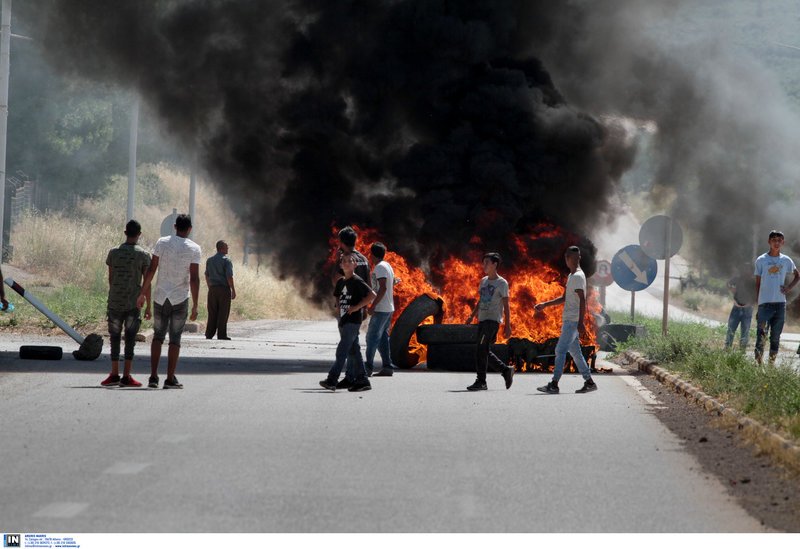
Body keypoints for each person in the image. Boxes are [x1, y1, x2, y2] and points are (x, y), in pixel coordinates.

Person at [137, 214, 202, 389]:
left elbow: (151, 270)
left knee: (157, 336)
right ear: (189, 229)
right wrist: (196, 304)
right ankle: (170, 378)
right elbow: (194, 279)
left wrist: (142, 293)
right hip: (180, 298)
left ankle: (153, 377)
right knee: (175, 339)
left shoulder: (162, 242)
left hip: (160, 297)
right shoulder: (194, 248)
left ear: (174, 226)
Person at [536, 246, 597, 394]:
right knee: (575, 353)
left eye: (577, 259)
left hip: (572, 322)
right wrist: (545, 304)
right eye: (574, 258)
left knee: (560, 350)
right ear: (568, 258)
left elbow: (583, 300)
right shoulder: (572, 276)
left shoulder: (577, 277)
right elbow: (564, 298)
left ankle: (554, 384)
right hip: (570, 321)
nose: (575, 261)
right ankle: (589, 382)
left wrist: (581, 322)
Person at [100, 220, 152, 387]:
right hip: (133, 303)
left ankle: (114, 373)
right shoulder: (143, 255)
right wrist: (148, 304)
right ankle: (127, 376)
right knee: (130, 338)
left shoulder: (113, 253)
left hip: (115, 301)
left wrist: (116, 292)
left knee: (114, 338)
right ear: (139, 234)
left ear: (125, 233)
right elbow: (147, 283)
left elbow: (110, 277)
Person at [319, 252, 376, 392]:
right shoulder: (341, 282)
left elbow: (372, 295)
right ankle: (362, 380)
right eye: (343, 261)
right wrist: (338, 307)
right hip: (344, 320)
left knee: (342, 350)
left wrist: (356, 307)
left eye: (350, 261)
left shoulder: (357, 281)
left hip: (353, 321)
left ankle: (332, 380)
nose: (346, 263)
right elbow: (337, 296)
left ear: (355, 264)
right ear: (340, 265)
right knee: (354, 351)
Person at [464, 252, 515, 391]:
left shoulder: (502, 283)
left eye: (487, 262)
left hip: (492, 321)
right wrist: (472, 316)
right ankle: (505, 370)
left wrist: (507, 325)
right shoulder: (484, 281)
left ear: (495, 264)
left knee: (481, 349)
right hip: (482, 319)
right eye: (483, 262)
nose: (484, 265)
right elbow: (481, 300)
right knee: (483, 349)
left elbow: (506, 305)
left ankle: (481, 381)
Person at [753, 230, 799, 364]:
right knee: (761, 336)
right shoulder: (761, 260)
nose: (776, 242)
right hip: (765, 305)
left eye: (779, 240)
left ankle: (771, 366)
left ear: (782, 243)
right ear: (769, 242)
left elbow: (797, 275)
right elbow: (758, 284)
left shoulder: (786, 260)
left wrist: (788, 288)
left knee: (775, 337)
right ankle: (758, 366)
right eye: (774, 240)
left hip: (780, 305)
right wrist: (758, 304)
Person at [365, 242, 396, 377]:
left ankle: (367, 367)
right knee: (383, 337)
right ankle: (387, 366)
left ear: (372, 254)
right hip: (388, 308)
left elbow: (382, 288)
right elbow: (390, 283)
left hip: (382, 309)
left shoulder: (380, 268)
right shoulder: (387, 266)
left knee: (371, 338)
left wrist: (373, 306)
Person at [205, 240, 236, 340]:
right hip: (224, 289)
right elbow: (229, 276)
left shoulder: (210, 260)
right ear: (221, 248)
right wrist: (233, 289)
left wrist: (210, 286)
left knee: (212, 312)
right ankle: (221, 334)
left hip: (212, 289)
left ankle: (209, 334)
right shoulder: (226, 261)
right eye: (226, 247)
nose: (228, 248)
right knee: (223, 312)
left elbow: (206, 275)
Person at [724, 261, 756, 351]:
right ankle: (727, 349)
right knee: (730, 330)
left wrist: (750, 303)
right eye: (744, 268)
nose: (746, 270)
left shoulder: (753, 281)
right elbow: (728, 283)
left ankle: (742, 351)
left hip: (747, 309)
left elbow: (757, 294)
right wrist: (731, 289)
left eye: (748, 269)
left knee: (745, 332)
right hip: (736, 307)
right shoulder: (738, 279)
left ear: (751, 270)